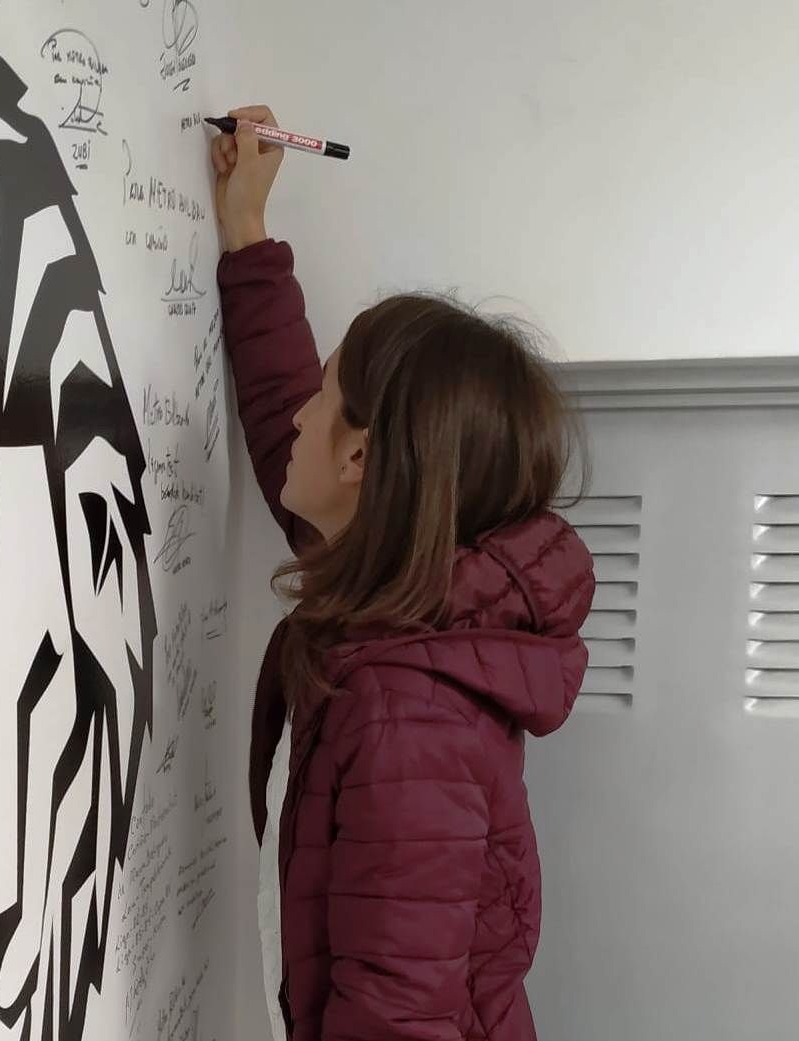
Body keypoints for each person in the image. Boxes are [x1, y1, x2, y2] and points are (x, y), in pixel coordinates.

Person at [211, 105, 596, 1041]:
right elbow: (283, 436)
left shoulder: (406, 717)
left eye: (325, 397)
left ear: (360, 463)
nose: (300, 414)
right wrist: (249, 239)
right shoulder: (403, 600)